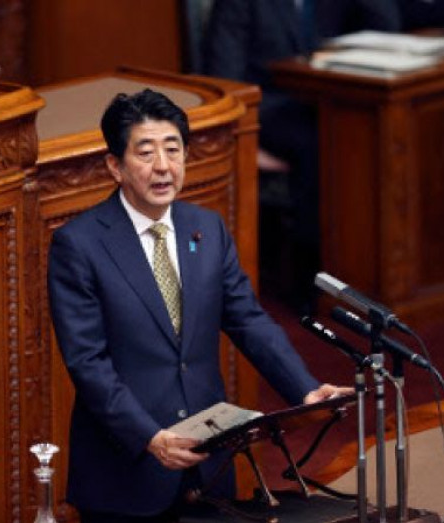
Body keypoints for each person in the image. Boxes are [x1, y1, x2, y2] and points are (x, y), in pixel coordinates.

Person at [48, 89, 349, 522]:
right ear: (115, 165)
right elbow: (87, 362)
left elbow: (248, 320)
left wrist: (305, 390)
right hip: (126, 469)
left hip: (209, 460)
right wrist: (149, 436)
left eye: (173, 150)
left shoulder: (206, 228)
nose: (163, 166)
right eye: (146, 152)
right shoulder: (79, 245)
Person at [202, 0, 401, 314]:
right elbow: (224, 79)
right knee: (319, 142)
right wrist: (245, 146)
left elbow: (387, 26)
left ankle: (373, 270)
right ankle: (312, 275)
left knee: (371, 131)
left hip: (327, 100)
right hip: (266, 110)